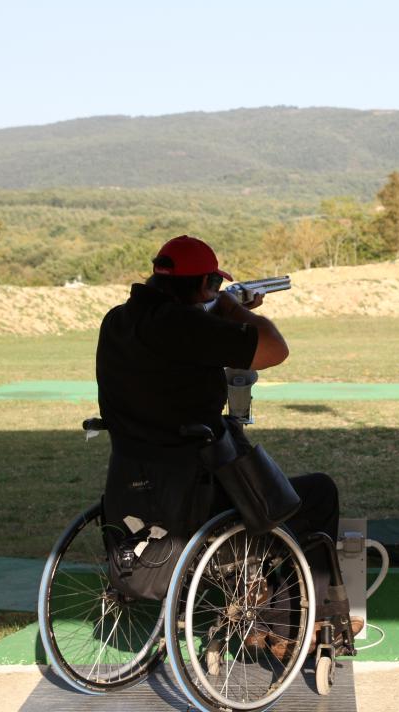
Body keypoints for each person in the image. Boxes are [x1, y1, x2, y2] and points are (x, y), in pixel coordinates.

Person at [94, 234, 355, 641]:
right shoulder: (186, 323)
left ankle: (260, 606)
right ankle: (290, 627)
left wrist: (214, 311)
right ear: (204, 286)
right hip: (197, 494)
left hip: (138, 491)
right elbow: (274, 349)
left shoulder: (117, 321)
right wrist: (232, 310)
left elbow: (171, 355)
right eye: (213, 285)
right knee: (316, 495)